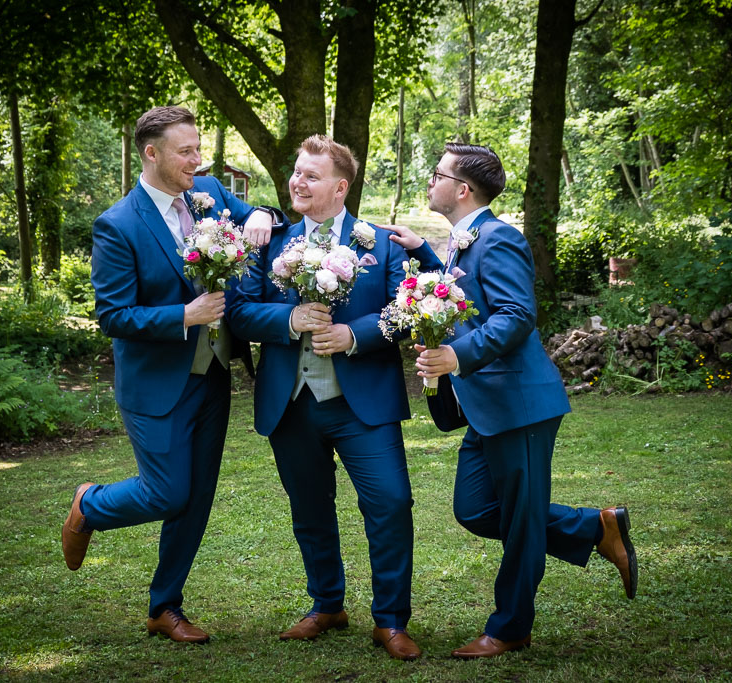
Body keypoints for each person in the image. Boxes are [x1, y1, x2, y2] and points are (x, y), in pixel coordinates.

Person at [380, 142, 637, 659]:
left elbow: (517, 315)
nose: (430, 181)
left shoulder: (500, 238)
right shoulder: (465, 240)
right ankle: (595, 526)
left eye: (438, 174)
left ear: (462, 189)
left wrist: (456, 356)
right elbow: (463, 290)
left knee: (521, 522)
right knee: (475, 509)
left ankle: (510, 627)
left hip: (519, 404)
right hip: (486, 406)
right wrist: (424, 251)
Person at [61, 105, 282, 643]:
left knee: (197, 496)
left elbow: (260, 216)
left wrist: (262, 213)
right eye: (186, 151)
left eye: (198, 148)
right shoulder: (118, 225)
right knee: (167, 493)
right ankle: (90, 504)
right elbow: (113, 315)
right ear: (151, 153)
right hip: (156, 383)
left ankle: (165, 607)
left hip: (213, 376)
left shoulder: (209, 193)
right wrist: (184, 315)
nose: (196, 159)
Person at [226, 135, 421, 661]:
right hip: (291, 402)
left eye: (311, 176)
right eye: (296, 172)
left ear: (340, 187)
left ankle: (391, 620)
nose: (298, 182)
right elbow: (239, 311)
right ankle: (327, 604)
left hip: (364, 404)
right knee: (309, 507)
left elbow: (405, 311)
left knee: (391, 502)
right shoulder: (269, 241)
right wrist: (288, 319)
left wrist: (354, 334)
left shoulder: (381, 243)